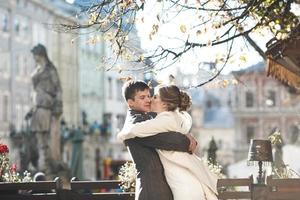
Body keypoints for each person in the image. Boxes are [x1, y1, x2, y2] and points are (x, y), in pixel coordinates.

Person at [118, 85, 218, 200]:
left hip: (182, 186)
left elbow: (167, 131)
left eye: (151, 96)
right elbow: (178, 141)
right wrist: (185, 136)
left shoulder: (162, 119)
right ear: (130, 102)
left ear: (165, 104)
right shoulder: (139, 121)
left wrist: (185, 134)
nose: (149, 100)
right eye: (142, 97)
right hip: (155, 191)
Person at [26, 44, 63, 172]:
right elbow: (34, 91)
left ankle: (46, 165)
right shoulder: (37, 70)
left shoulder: (50, 70)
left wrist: (58, 107)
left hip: (47, 108)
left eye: (35, 54)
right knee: (37, 140)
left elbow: (58, 89)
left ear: (40, 54)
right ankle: (39, 164)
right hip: (37, 108)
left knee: (46, 140)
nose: (34, 57)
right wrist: (31, 109)